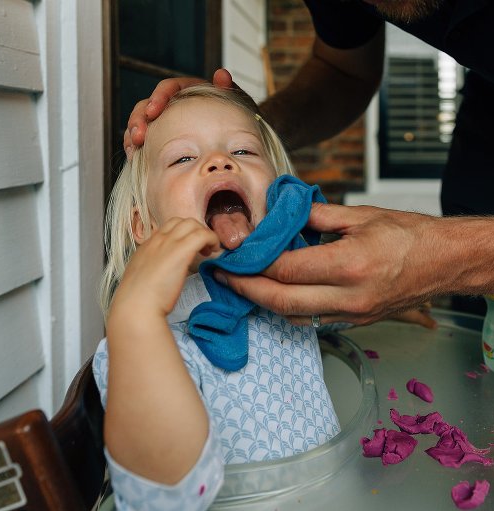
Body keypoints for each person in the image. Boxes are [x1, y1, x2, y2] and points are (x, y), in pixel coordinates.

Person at [124, 1, 494, 508]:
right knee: (493, 416)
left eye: (237, 157)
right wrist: (244, 128)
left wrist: (449, 256)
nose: (219, 165)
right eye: (187, 160)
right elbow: (341, 68)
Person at [93, 83, 343, 510]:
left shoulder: (288, 294)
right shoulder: (145, 346)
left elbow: (341, 309)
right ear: (145, 225)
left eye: (244, 151)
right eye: (183, 158)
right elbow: (167, 496)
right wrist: (136, 318)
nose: (219, 162)